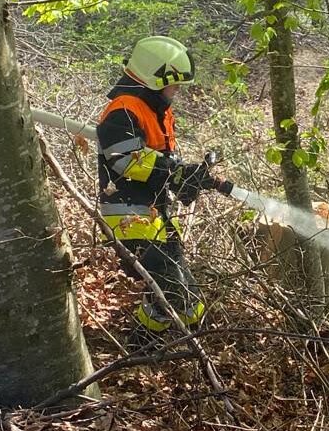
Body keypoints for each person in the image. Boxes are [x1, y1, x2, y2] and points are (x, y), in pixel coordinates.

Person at [96, 36, 233, 333]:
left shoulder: (154, 110)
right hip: (130, 217)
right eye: (175, 85)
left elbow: (160, 161)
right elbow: (128, 159)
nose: (177, 91)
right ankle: (143, 348)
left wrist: (186, 181)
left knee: (184, 294)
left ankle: (187, 345)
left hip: (155, 214)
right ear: (154, 79)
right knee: (170, 290)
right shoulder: (123, 110)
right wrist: (178, 171)